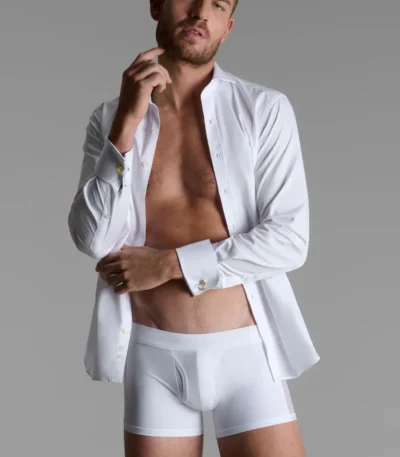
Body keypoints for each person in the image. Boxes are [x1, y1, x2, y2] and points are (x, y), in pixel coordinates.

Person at [68, 0, 320, 456]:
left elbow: (289, 240)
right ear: (157, 6)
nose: (201, 11)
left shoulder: (263, 109)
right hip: (152, 354)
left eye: (218, 4)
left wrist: (169, 264)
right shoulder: (109, 119)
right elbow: (93, 239)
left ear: (228, 27)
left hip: (247, 353)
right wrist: (126, 125)